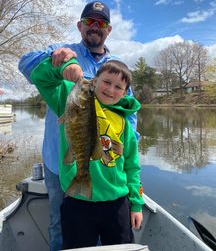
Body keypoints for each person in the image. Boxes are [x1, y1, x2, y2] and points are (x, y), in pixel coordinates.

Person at [18, 1, 138, 251]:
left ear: (109, 29)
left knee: (100, 232)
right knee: (62, 226)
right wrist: (61, 64)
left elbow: (129, 122)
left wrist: (120, 163)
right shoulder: (64, 51)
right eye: (90, 22)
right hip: (59, 163)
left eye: (101, 23)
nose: (95, 27)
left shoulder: (118, 68)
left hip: (107, 173)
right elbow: (26, 64)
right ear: (80, 26)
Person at [30, 58, 144, 249]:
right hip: (78, 203)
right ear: (95, 81)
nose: (111, 89)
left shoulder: (124, 124)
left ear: (125, 92)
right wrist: (64, 68)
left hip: (117, 203)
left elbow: (132, 167)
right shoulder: (70, 99)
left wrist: (137, 204)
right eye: (106, 82)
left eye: (118, 87)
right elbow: (39, 77)